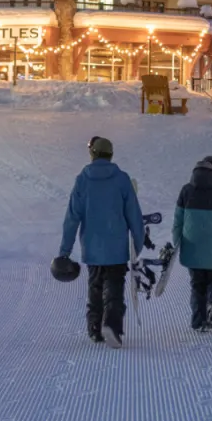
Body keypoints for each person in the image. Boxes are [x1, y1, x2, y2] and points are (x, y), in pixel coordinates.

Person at [57, 136, 144, 348]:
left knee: (95, 286)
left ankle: (95, 328)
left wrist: (64, 251)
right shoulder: (122, 179)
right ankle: (112, 325)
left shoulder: (82, 180)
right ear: (110, 154)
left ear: (93, 154)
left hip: (92, 246)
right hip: (116, 247)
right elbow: (133, 213)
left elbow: (72, 217)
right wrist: (137, 245)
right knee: (114, 286)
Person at [171, 155, 212, 332]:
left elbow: (178, 221)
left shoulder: (186, 191)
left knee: (197, 283)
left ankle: (198, 320)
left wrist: (177, 243)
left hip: (192, 246)